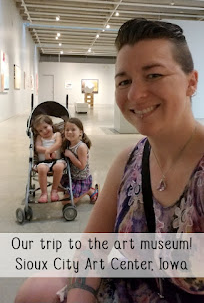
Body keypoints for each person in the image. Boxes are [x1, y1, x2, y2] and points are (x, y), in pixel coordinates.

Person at [15, 18, 204, 303]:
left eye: (154, 75)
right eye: (124, 81)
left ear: (191, 82)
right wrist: (80, 295)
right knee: (35, 290)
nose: (135, 95)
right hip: (126, 287)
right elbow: (93, 245)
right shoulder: (129, 160)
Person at [60, 117, 98, 204]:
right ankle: (82, 191)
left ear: (80, 132)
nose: (69, 132)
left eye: (73, 130)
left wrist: (70, 155)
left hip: (81, 179)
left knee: (66, 203)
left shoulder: (81, 147)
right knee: (59, 189)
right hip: (72, 177)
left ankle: (88, 190)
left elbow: (82, 166)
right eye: (67, 130)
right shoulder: (68, 144)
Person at [32, 114, 66, 203]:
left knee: (59, 167)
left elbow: (58, 144)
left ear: (51, 124)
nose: (44, 131)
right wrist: (48, 151)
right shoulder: (40, 137)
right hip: (43, 162)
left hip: (57, 160)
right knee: (41, 169)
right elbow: (38, 148)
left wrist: (48, 151)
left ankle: (54, 190)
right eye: (40, 130)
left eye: (45, 127)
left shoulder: (57, 135)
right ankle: (44, 193)